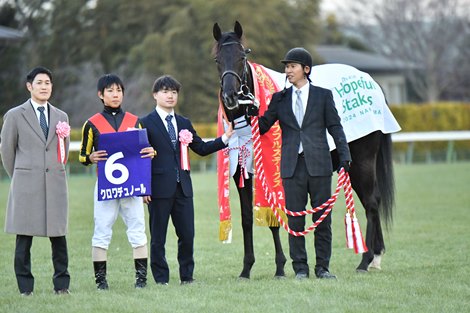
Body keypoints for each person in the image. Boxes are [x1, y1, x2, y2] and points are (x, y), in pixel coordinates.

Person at [256, 47, 351, 280]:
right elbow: (262, 127)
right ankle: (300, 268)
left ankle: (323, 268)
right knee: (295, 219)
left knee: (323, 221)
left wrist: (345, 154)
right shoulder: (279, 99)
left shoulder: (323, 96)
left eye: (292, 66)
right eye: (286, 67)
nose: (288, 71)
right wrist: (247, 111)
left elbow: (335, 127)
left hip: (319, 165)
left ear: (306, 69)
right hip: (291, 167)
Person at [141, 75, 233, 285]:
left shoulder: (184, 123)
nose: (170, 95)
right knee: (158, 238)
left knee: (187, 235)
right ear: (155, 95)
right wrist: (144, 187)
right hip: (158, 189)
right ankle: (161, 278)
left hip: (183, 188)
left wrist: (225, 138)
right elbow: (140, 159)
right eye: (165, 91)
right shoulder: (145, 123)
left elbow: (200, 148)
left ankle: (187, 276)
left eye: (174, 92)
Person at [78, 74, 155, 290]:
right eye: (110, 90)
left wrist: (151, 152)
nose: (115, 94)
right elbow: (83, 155)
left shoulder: (135, 120)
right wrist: (90, 158)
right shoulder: (91, 123)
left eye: (119, 90)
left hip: (132, 187)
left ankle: (141, 281)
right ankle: (101, 283)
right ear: (100, 95)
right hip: (106, 186)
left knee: (138, 229)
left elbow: (143, 153)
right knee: (102, 230)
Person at [0, 66, 71, 295]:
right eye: (39, 83)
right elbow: (7, 151)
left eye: (48, 83)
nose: (44, 87)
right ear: (29, 86)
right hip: (26, 186)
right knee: (24, 238)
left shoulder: (61, 116)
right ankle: (25, 288)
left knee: (59, 238)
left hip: (55, 184)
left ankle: (61, 286)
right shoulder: (14, 115)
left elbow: (64, 151)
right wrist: (22, 176)